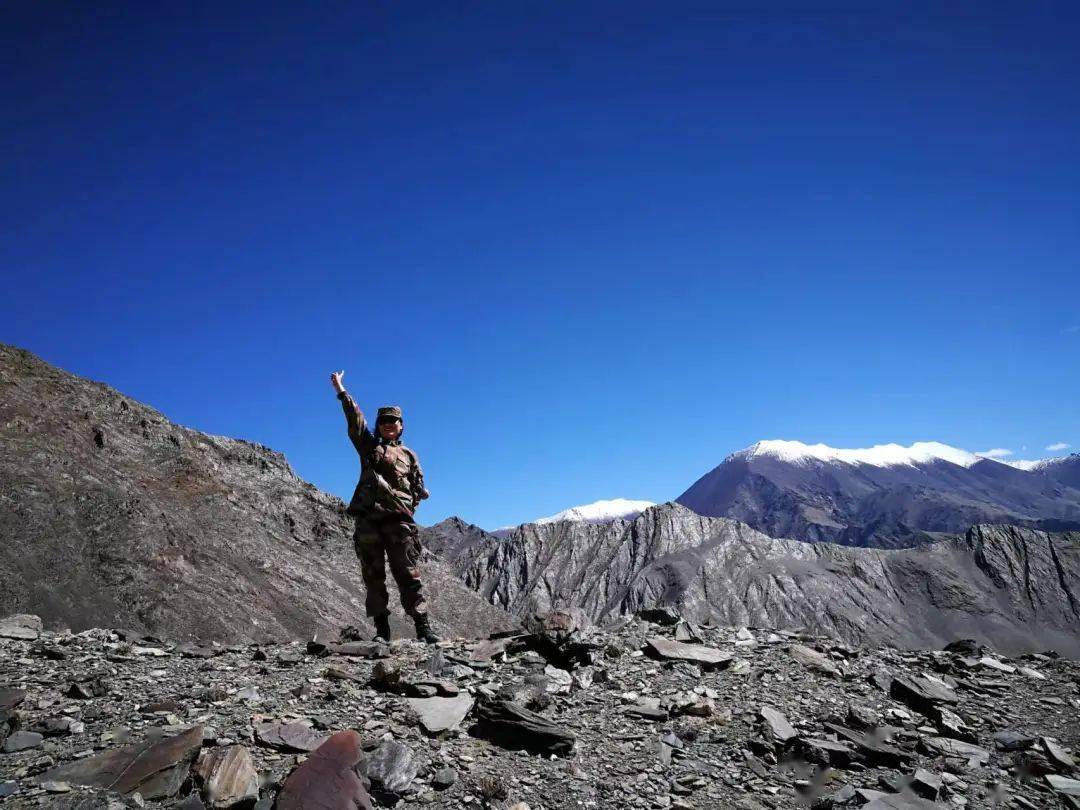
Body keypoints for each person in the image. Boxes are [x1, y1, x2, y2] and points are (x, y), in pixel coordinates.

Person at [330, 370, 439, 643]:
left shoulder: (409, 455)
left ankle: (423, 628)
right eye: (384, 421)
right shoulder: (368, 447)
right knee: (373, 576)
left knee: (409, 574)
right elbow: (355, 422)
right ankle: (382, 631)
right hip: (369, 520)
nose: (389, 424)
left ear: (401, 426)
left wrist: (412, 503)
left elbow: (419, 488)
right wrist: (342, 391)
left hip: (399, 521)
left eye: (394, 421)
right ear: (378, 425)